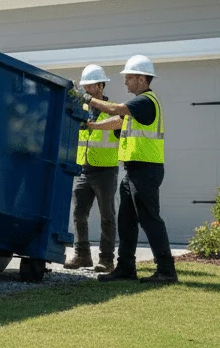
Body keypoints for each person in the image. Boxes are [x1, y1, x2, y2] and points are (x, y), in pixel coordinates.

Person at [88, 55, 177, 284]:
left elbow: (116, 109)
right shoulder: (137, 106)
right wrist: (91, 125)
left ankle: (166, 270)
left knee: (150, 219)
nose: (125, 82)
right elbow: (118, 121)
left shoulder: (146, 101)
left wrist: (89, 99)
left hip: (146, 170)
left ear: (140, 78)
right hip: (133, 171)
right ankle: (126, 268)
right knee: (126, 220)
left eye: (128, 78)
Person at [67, 65, 121, 272]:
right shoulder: (79, 111)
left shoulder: (114, 110)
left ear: (100, 86)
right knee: (79, 214)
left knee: (107, 216)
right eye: (84, 87)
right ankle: (82, 256)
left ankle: (107, 260)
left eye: (90, 86)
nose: (86, 90)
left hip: (106, 171)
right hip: (83, 170)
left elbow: (118, 123)